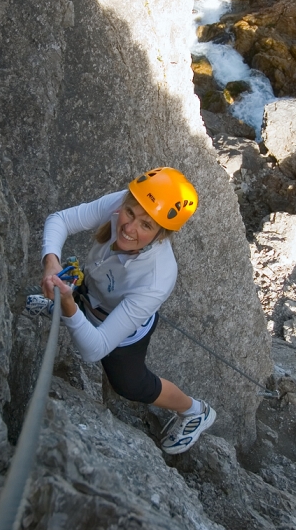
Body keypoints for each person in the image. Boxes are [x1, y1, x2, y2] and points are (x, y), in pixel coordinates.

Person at [26, 167, 216, 454]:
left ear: (161, 234)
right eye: (130, 213)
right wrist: (51, 261)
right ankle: (66, 304)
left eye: (146, 226)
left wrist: (67, 307)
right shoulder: (122, 204)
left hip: (122, 329)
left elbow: (95, 350)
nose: (129, 228)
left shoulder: (157, 278)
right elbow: (61, 219)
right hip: (91, 291)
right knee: (79, 292)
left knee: (130, 386)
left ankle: (195, 411)